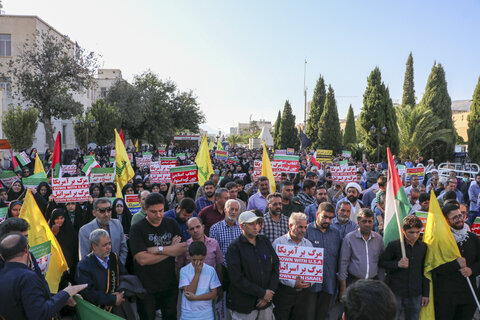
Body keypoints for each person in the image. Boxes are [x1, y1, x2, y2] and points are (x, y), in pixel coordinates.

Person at [0, 232, 87, 319]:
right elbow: (40, 313)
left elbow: (30, 301)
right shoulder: (27, 277)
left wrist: (63, 298)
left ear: (3, 257)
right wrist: (66, 293)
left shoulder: (3, 277)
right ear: (26, 249)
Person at [129, 192, 187, 320]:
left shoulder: (171, 223)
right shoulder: (137, 229)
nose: (158, 215)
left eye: (161, 210)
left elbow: (182, 248)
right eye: (153, 212)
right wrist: (170, 249)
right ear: (145, 209)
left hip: (169, 285)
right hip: (146, 288)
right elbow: (142, 259)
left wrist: (158, 249)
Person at [226, 211, 279, 319]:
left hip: (266, 304)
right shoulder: (234, 248)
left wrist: (269, 293)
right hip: (244, 306)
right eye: (251, 224)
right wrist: (262, 293)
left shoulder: (264, 241)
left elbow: (275, 265)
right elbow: (237, 278)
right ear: (242, 226)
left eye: (257, 223)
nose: (255, 227)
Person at [432, 202, 480, 320]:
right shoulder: (438, 241)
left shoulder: (472, 238)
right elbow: (434, 267)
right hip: (446, 297)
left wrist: (471, 270)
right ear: (446, 220)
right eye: (455, 217)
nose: (459, 219)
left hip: (468, 295)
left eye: (461, 216)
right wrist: (455, 264)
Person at [379, 215, 429, 320]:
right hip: (396, 291)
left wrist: (426, 294)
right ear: (403, 230)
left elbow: (425, 271)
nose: (415, 235)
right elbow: (382, 262)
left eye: (417, 232)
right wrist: (397, 264)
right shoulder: (394, 245)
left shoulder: (423, 247)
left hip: (416, 293)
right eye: (411, 232)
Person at [305, 202, 342, 320]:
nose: (328, 220)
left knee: (324, 315)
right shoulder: (306, 230)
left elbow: (339, 257)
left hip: (329, 281)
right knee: (309, 314)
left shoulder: (336, 233)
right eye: (325, 217)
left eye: (331, 218)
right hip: (309, 283)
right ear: (317, 214)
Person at [272, 212, 312, 320]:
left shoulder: (308, 244)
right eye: (300, 227)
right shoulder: (278, 243)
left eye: (305, 227)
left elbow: (313, 268)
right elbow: (275, 270)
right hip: (284, 293)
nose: (303, 230)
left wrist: (309, 282)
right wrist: (293, 283)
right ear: (290, 226)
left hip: (303, 295)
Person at [75, 229, 127, 311]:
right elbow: (88, 294)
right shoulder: (84, 266)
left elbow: (124, 276)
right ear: (94, 246)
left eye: (110, 243)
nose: (109, 247)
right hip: (95, 312)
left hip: (116, 307)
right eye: (105, 245)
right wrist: (112, 299)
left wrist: (120, 294)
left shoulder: (113, 258)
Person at [338, 208, 384, 299]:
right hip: (354, 283)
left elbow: (381, 263)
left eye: (370, 221)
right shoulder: (349, 238)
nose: (367, 224)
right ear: (358, 222)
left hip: (372, 283)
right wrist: (343, 289)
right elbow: (343, 263)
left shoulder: (378, 239)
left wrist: (381, 284)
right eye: (364, 221)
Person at [79, 198, 128, 266]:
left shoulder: (117, 224)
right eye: (102, 211)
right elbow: (84, 256)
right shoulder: (85, 230)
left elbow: (123, 248)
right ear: (94, 213)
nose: (106, 214)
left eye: (109, 210)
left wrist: (118, 265)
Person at [179, 241, 222, 320]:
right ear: (190, 256)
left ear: (205, 256)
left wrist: (196, 297)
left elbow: (213, 294)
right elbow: (189, 293)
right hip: (188, 315)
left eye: (201, 260)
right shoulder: (184, 271)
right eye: (194, 260)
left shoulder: (211, 270)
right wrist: (197, 274)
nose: (197, 263)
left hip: (206, 315)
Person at [49, 208, 79, 288]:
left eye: (61, 218)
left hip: (70, 264)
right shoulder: (48, 230)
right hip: (56, 265)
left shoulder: (70, 230)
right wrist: (53, 235)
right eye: (57, 219)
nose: (59, 221)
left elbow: (74, 246)